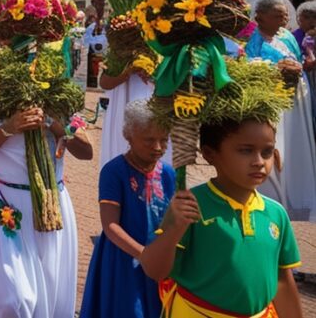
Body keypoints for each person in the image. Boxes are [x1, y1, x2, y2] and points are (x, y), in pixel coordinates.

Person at [139, 118, 303, 317]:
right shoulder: (190, 205)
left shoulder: (276, 213)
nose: (259, 161)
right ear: (210, 154)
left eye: (266, 152)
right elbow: (154, 270)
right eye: (246, 150)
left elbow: (282, 281)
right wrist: (174, 230)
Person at [0, 104, 93, 316]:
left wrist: (53, 125)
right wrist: (7, 129)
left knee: (49, 287)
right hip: (8, 208)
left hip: (50, 208)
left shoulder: (61, 105)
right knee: (14, 297)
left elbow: (86, 152)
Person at [80, 100, 175, 318]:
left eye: (164, 140)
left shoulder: (168, 174)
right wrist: (143, 254)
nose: (158, 147)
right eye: (149, 140)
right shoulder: (115, 171)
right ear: (128, 135)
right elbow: (110, 225)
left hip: (158, 261)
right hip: (124, 261)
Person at [245, 0, 316, 222]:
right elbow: (247, 67)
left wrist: (302, 66)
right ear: (260, 17)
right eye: (277, 16)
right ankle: (271, 196)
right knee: (275, 147)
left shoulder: (287, 36)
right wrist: (275, 70)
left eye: (285, 16)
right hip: (271, 102)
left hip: (295, 103)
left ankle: (297, 194)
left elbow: (297, 60)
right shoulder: (252, 39)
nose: (283, 22)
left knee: (295, 146)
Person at [98, 59, 168, 167]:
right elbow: (104, 83)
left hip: (160, 111)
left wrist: (154, 75)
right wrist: (129, 70)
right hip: (123, 114)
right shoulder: (121, 51)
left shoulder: (170, 51)